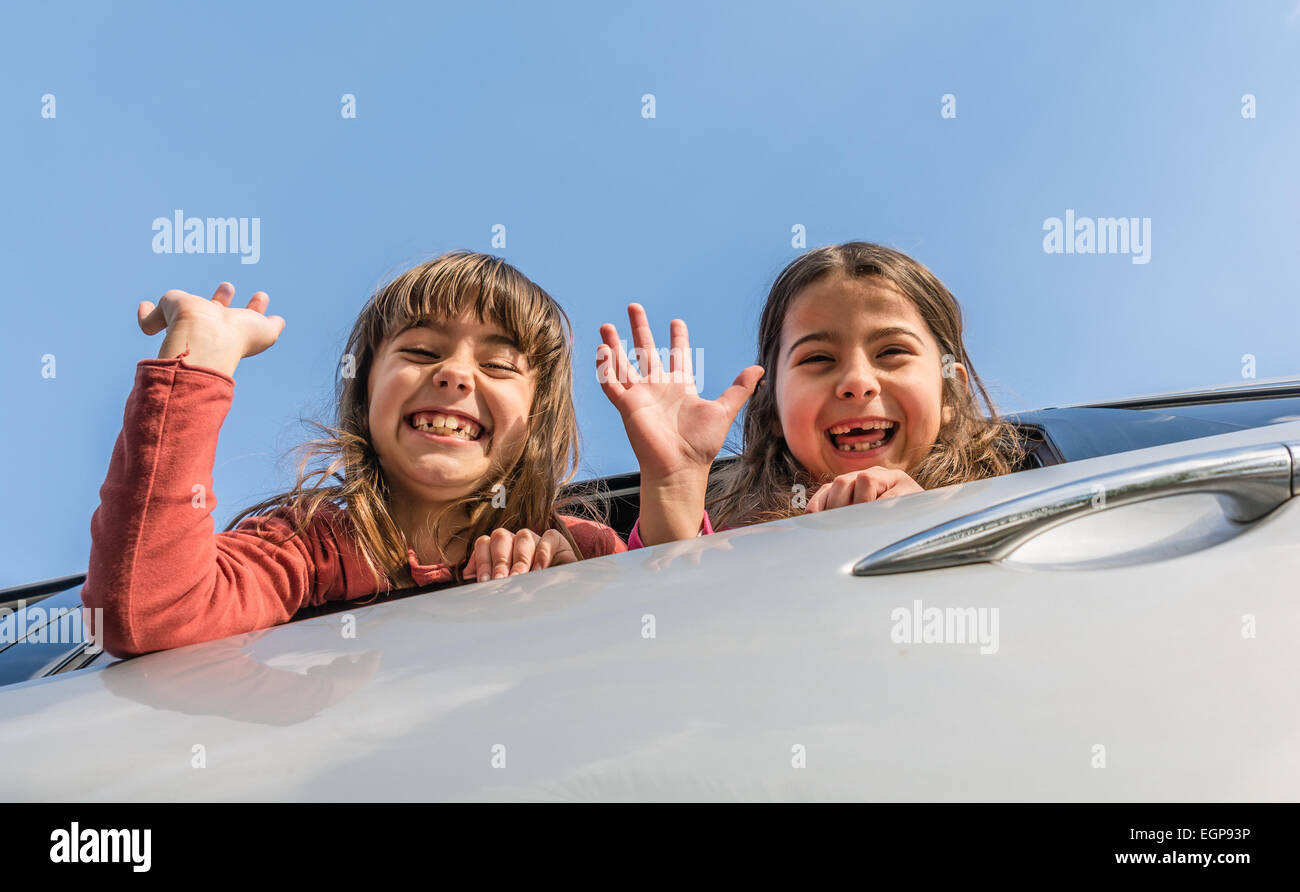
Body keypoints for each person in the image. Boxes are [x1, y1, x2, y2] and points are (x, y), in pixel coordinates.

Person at [84, 251, 625, 657]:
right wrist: (199, 362)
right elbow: (145, 612)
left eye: (501, 364)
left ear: (537, 419)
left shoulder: (576, 547)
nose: (456, 373)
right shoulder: (307, 546)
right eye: (419, 351)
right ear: (365, 392)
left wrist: (580, 597)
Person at [597, 241, 1024, 546]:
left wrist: (929, 529)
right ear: (773, 413)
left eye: (892, 351)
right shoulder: (740, 549)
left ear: (951, 394)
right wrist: (675, 487)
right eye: (818, 359)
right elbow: (673, 631)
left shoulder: (1018, 506)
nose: (857, 382)